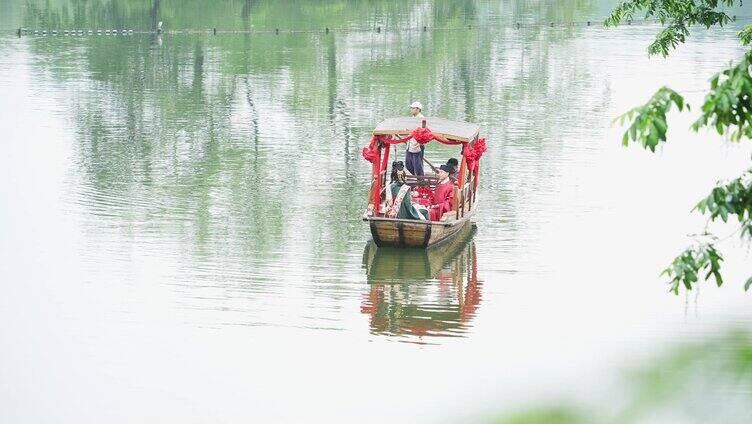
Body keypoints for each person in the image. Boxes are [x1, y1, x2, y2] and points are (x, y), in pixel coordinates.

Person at [405, 101, 425, 176]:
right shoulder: (413, 118)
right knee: (408, 165)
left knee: (418, 166)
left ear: (417, 109)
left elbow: (421, 132)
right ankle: (416, 178)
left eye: (413, 108)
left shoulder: (421, 118)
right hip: (410, 144)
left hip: (417, 146)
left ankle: (420, 182)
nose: (411, 110)